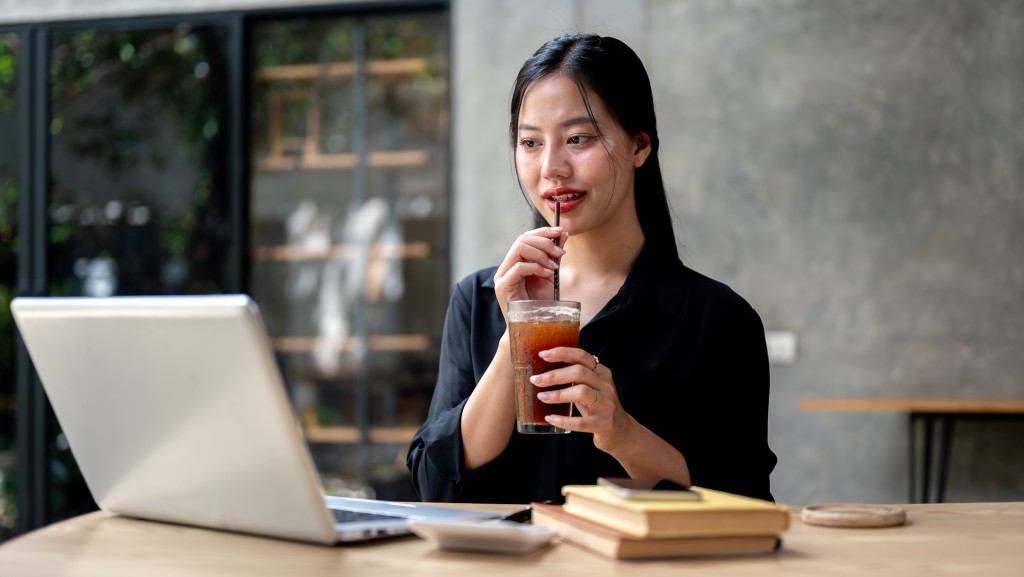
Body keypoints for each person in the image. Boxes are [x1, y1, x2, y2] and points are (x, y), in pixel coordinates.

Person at [406, 33, 777, 505]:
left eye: (578, 139)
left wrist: (620, 431)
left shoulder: (720, 320)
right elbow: (433, 486)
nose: (551, 168)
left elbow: (743, 500)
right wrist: (517, 335)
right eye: (530, 143)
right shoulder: (477, 300)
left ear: (640, 145)